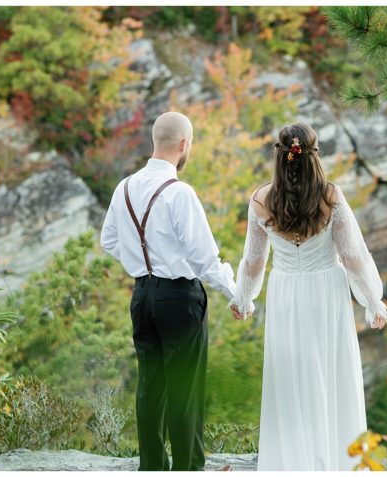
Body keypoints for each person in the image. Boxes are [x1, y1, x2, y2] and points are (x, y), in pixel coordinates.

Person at [228, 123, 387, 470]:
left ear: (279, 155)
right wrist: (371, 299)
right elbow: (352, 257)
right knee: (330, 374)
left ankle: (294, 463)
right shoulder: (331, 197)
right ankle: (334, 461)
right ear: (314, 155)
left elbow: (254, 261)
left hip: (286, 293)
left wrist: (244, 298)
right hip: (326, 292)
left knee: (291, 377)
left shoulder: (261, 200)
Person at [100, 112, 237, 471]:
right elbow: (205, 260)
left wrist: (140, 263)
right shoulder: (181, 193)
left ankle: (152, 467)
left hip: (141, 296)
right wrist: (236, 294)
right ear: (183, 145)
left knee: (150, 385)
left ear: (154, 141)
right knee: (185, 388)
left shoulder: (124, 187)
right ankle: (188, 468)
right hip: (179, 298)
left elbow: (108, 240)